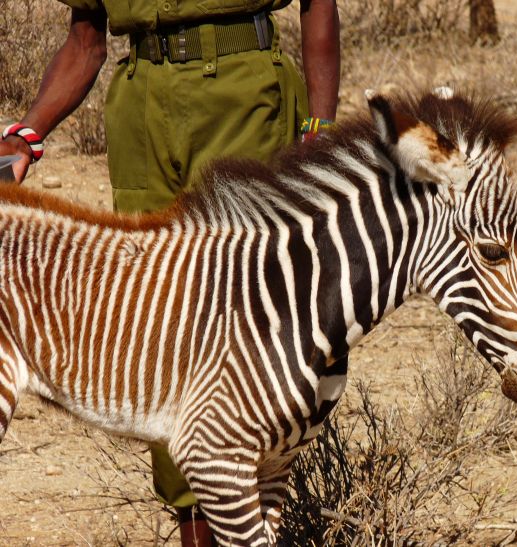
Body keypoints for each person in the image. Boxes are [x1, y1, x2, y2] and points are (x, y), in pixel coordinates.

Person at [0, 1, 340, 544]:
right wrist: (26, 136)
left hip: (247, 94)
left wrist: (321, 125)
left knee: (250, 328)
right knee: (159, 330)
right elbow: (86, 40)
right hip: (143, 109)